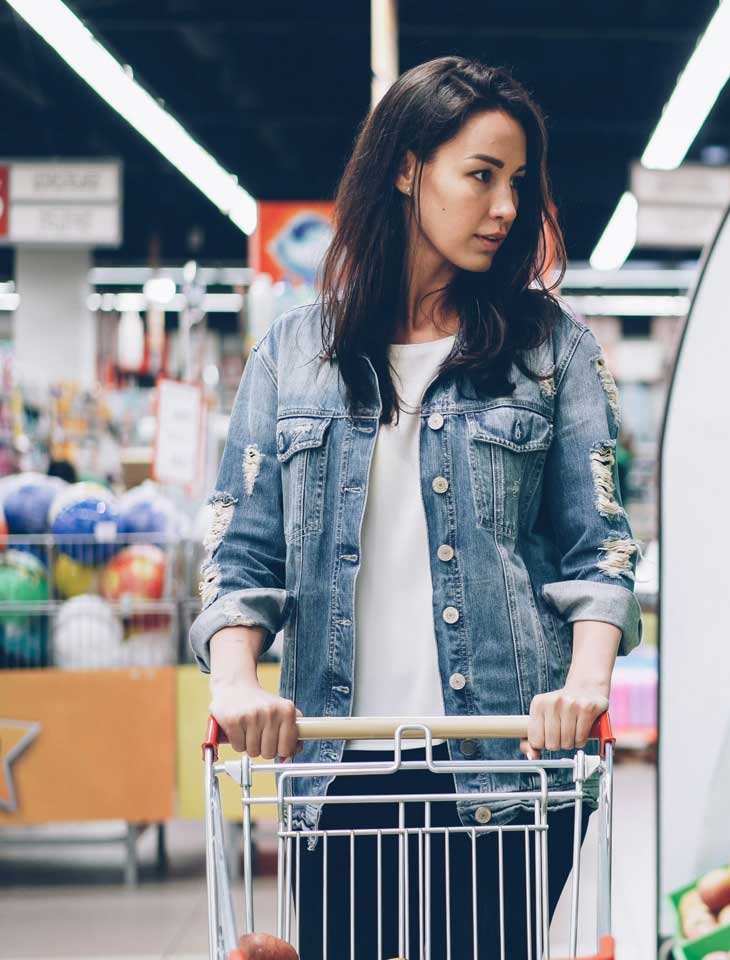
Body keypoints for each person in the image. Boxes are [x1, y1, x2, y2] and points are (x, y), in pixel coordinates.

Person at [189, 56, 642, 958]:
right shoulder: (293, 356)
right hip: (334, 761)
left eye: (517, 182)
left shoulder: (551, 350)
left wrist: (585, 684)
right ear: (407, 168)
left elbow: (600, 551)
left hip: (506, 760)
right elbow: (239, 554)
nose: (507, 207)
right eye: (481, 176)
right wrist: (236, 682)